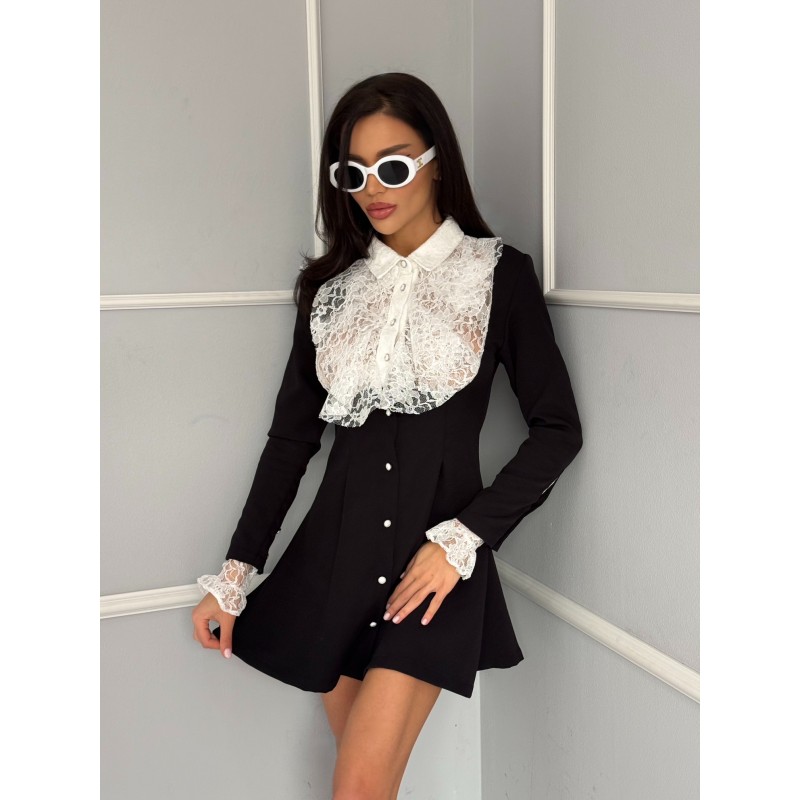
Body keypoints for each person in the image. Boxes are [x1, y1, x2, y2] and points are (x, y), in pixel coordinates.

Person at [191, 72, 583, 799]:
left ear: (436, 162)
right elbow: (290, 442)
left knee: (358, 786)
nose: (372, 188)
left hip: (430, 576)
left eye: (393, 167)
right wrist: (235, 576)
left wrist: (461, 541)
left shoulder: (497, 276)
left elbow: (558, 431)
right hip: (332, 566)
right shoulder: (330, 291)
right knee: (369, 787)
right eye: (354, 172)